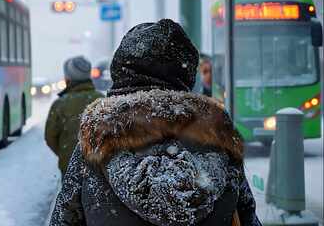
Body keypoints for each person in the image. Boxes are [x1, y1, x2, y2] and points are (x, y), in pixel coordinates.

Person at [49, 19, 261, 226]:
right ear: (186, 73)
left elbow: (65, 217)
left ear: (121, 70)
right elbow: (246, 215)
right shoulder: (217, 136)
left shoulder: (98, 136)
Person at [45, 56, 103, 177]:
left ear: (69, 78)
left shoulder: (60, 104)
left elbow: (50, 137)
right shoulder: (101, 100)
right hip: (99, 166)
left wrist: (65, 153)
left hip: (69, 167)